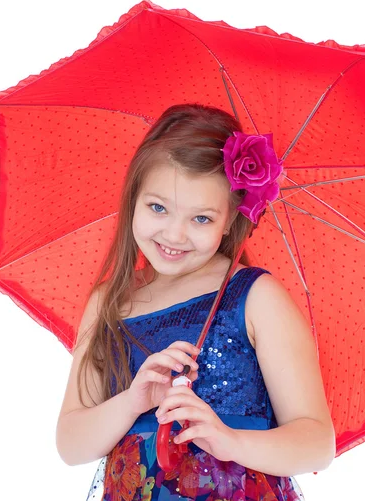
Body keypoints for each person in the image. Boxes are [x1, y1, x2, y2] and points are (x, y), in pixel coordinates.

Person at [56, 103, 335, 500]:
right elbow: (71, 444)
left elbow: (317, 442)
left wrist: (229, 441)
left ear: (230, 220)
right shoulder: (109, 303)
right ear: (133, 198)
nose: (175, 234)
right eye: (158, 208)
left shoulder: (256, 298)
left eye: (201, 218)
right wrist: (134, 401)